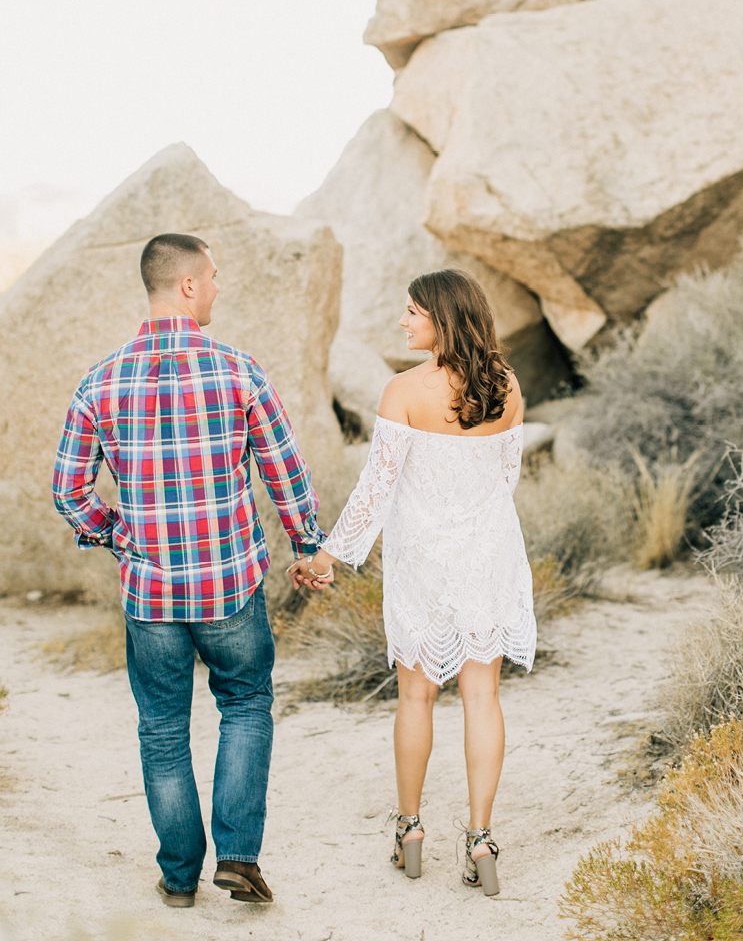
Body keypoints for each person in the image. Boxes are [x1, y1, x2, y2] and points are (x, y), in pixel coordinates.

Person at [53, 233, 327, 909]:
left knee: (162, 732)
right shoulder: (237, 370)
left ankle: (179, 878)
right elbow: (283, 469)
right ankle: (237, 857)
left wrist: (114, 533)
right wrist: (305, 543)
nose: (216, 286)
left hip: (150, 594)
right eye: (212, 276)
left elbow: (68, 488)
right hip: (229, 586)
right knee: (246, 703)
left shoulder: (101, 380)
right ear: (185, 285)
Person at [289, 267, 537, 897]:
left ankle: (410, 830)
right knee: (482, 695)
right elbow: (504, 480)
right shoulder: (507, 388)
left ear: (443, 318)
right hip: (488, 552)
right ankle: (481, 839)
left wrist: (327, 557)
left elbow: (375, 490)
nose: (403, 321)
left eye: (413, 312)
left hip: (424, 556)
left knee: (415, 696)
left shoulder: (402, 389)